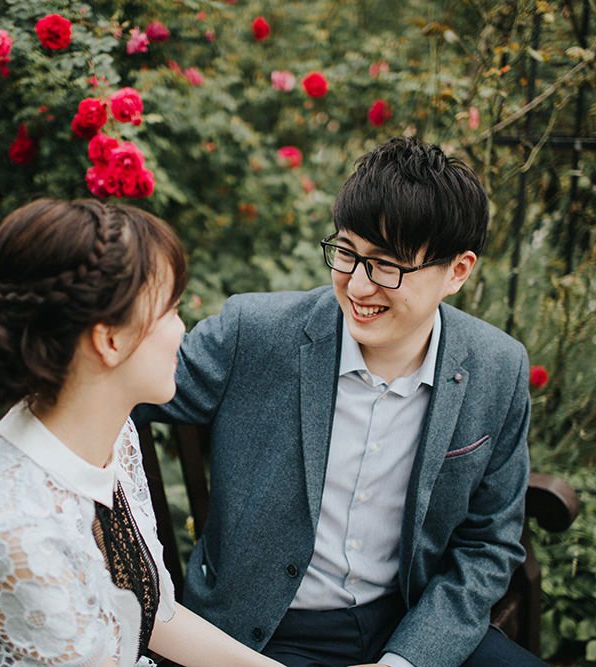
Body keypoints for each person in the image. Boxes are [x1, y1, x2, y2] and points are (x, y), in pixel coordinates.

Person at [134, 137, 546, 667]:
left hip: (410, 622)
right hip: (263, 635)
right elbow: (121, 392)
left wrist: (407, 659)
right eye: (347, 252)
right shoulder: (254, 335)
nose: (357, 284)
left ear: (458, 271)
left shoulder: (497, 367)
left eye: (387, 266)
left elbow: (489, 544)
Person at [0, 198, 285, 667]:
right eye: (171, 309)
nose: (183, 329)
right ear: (109, 340)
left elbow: (155, 615)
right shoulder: (18, 537)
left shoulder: (111, 436)